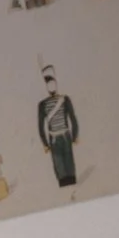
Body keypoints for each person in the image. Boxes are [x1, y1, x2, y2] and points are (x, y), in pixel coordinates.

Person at [36, 58, 80, 186]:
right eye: (48, 83)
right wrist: (44, 143)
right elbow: (40, 126)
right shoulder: (42, 104)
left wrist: (75, 135)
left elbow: (72, 117)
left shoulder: (65, 99)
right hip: (53, 139)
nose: (51, 85)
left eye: (52, 82)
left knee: (69, 162)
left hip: (66, 136)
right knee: (59, 164)